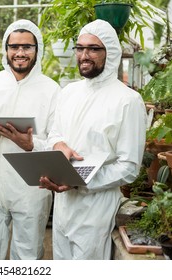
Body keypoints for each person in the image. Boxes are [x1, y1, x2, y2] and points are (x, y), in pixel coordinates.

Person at [39, 19, 147, 260]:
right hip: (64, 205)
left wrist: (81, 180)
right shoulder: (68, 93)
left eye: (93, 49)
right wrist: (58, 146)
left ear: (110, 53)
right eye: (80, 48)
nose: (84, 55)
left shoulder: (127, 100)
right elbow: (55, 134)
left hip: (97, 208)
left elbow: (129, 167)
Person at [0, 19, 60, 260]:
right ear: (6, 49)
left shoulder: (51, 90)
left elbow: (57, 139)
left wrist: (32, 144)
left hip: (32, 187)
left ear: (37, 49)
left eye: (27, 47)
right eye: (14, 47)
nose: (20, 53)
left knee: (27, 256)